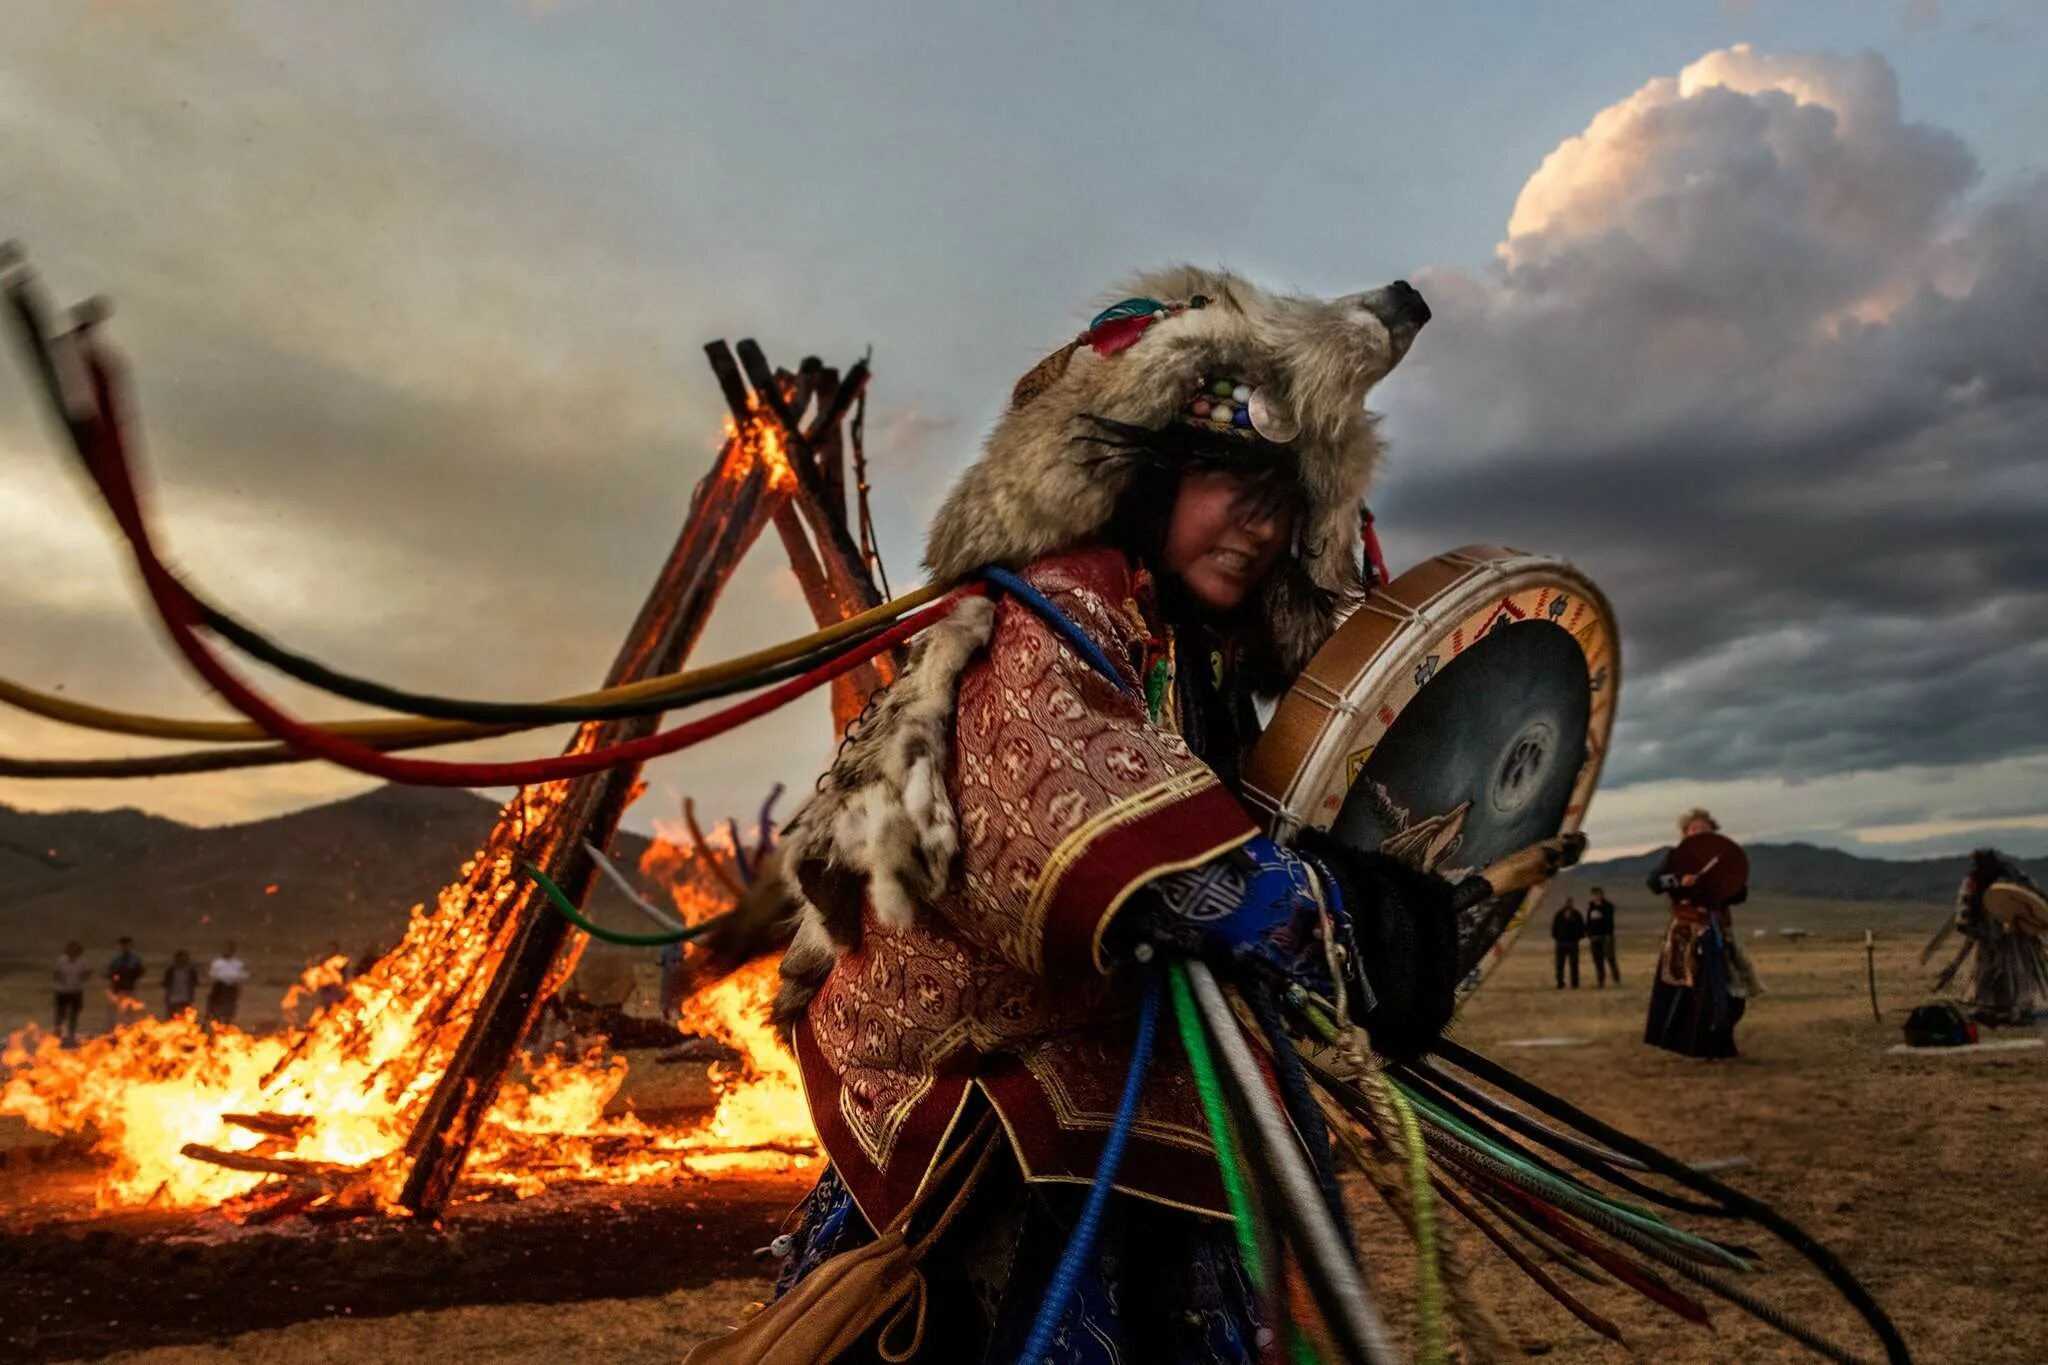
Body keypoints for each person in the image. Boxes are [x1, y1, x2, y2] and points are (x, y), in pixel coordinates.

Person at [717, 268, 1444, 1361]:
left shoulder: (1191, 660)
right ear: (1142, 476)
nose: (1257, 523)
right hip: (1001, 1160)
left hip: (1119, 1138)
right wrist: (1345, 918)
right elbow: (1086, 834)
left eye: (1283, 495)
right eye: (1225, 477)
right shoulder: (1048, 612)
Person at [1643, 809, 1760, 1058]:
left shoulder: (1725, 859)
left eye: (1703, 829)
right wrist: (1679, 880)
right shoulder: (1675, 858)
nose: (1698, 832)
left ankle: (1721, 1041)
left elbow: (1740, 893)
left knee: (1729, 991)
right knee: (1686, 992)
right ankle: (1693, 1044)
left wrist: (1719, 886)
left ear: (1712, 832)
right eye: (1693, 829)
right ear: (1685, 833)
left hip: (1717, 931)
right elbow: (1654, 882)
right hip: (1684, 934)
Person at [1925, 848, 2048, 1026]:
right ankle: (1994, 1007)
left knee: (2013, 971)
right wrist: (1976, 929)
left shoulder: (2009, 877)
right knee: (1989, 971)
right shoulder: (1978, 880)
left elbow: (2031, 899)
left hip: (2013, 933)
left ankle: (2014, 1008)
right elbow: (1965, 910)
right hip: (1989, 933)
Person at [53, 940, 89, 1046]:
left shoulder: (82, 961)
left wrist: (84, 977)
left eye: (74, 948)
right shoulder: (62, 960)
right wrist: (61, 980)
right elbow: (56, 973)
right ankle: (57, 1031)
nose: (72, 951)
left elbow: (86, 973)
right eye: (70, 948)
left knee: (74, 1014)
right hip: (63, 991)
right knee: (60, 1012)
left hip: (76, 991)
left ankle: (71, 1034)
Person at [105, 935, 144, 1030]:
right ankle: (111, 1030)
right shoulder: (115, 960)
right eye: (123, 945)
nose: (125, 947)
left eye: (128, 945)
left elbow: (140, 972)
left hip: (130, 988)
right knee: (114, 1010)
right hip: (118, 989)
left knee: (130, 1010)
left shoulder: (135, 960)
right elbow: (109, 973)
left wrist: (131, 975)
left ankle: (131, 1029)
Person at [205, 941, 249, 1026]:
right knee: (216, 1011)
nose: (227, 951)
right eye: (226, 949)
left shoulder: (237, 964)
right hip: (220, 988)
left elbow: (242, 976)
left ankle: (226, 1027)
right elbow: (212, 975)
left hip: (231, 989)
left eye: (229, 949)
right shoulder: (217, 963)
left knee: (229, 1011)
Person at [1585, 886, 1619, 986]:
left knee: (1610, 958)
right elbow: (1589, 922)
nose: (1596, 896)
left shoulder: (1608, 906)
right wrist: (1589, 933)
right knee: (1597, 960)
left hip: (1606, 935)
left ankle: (1616, 978)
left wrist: (1600, 908)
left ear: (1602, 895)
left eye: (1598, 894)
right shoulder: (1591, 907)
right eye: (1594, 894)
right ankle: (1600, 981)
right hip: (1594, 936)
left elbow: (1609, 919)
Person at [1551, 897, 1586, 988]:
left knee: (1574, 964)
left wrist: (1577, 938)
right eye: (1567, 903)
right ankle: (1560, 982)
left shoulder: (1576, 915)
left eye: (1570, 903)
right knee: (1559, 965)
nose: (1568, 904)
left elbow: (1582, 927)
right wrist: (1557, 937)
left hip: (1572, 942)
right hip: (1561, 942)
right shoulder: (1559, 914)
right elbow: (1554, 927)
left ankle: (1574, 983)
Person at [163, 948, 200, 1017]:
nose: (182, 961)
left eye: (184, 959)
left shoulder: (191, 972)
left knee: (185, 1017)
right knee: (171, 1017)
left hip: (186, 997)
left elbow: (195, 983)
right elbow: (165, 983)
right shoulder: (170, 971)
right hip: (172, 998)